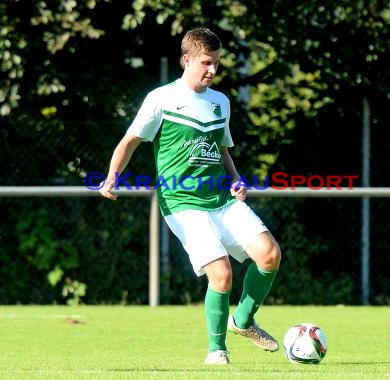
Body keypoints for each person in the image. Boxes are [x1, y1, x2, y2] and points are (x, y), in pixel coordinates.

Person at [99, 27, 281, 365]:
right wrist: (111, 177)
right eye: (206, 63)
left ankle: (243, 322)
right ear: (187, 60)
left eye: (216, 64)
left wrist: (237, 181)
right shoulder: (161, 98)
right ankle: (217, 351)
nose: (212, 70)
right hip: (182, 204)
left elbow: (222, 151)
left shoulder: (221, 102)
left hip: (222, 199)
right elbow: (129, 141)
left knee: (269, 255)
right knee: (222, 274)